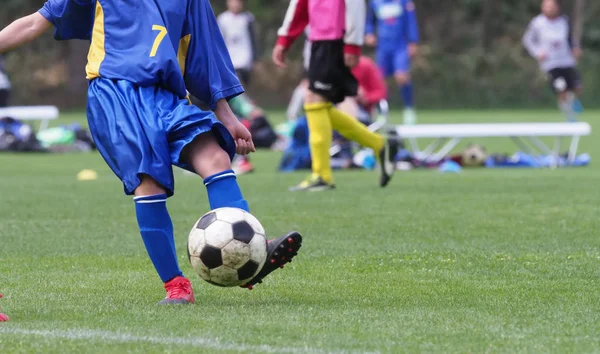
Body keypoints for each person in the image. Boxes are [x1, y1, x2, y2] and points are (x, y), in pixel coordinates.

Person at [0, 0, 302, 304]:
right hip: (115, 93)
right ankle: (176, 285)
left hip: (166, 94)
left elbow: (205, 53)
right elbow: (35, 22)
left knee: (215, 155)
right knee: (149, 182)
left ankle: (251, 254)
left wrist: (227, 115)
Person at [274, 0, 398, 192]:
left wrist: (353, 43)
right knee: (318, 105)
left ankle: (322, 175)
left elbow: (355, 4)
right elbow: (300, 4)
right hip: (317, 40)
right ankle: (380, 144)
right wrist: (285, 39)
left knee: (314, 101)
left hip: (335, 39)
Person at [523, 0, 583, 122]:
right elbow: (527, 40)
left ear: (557, 7)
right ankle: (570, 117)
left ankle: (571, 101)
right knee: (561, 89)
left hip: (567, 61)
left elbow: (570, 38)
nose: (549, 9)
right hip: (551, 64)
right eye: (546, 6)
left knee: (577, 87)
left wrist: (575, 48)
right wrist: (537, 52)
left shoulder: (564, 21)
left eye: (551, 6)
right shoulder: (537, 23)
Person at [365, 0, 419, 125]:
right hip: (383, 47)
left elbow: (411, 22)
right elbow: (369, 22)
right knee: (380, 79)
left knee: (401, 76)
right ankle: (382, 112)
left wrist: (413, 41)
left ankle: (408, 109)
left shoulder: (404, 2)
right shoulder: (375, 3)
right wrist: (369, 33)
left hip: (400, 46)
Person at [217, 0, 257, 87]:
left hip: (245, 58)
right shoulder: (222, 19)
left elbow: (253, 39)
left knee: (244, 85)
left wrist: (255, 58)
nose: (235, 4)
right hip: (230, 58)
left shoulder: (248, 18)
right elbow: (218, 40)